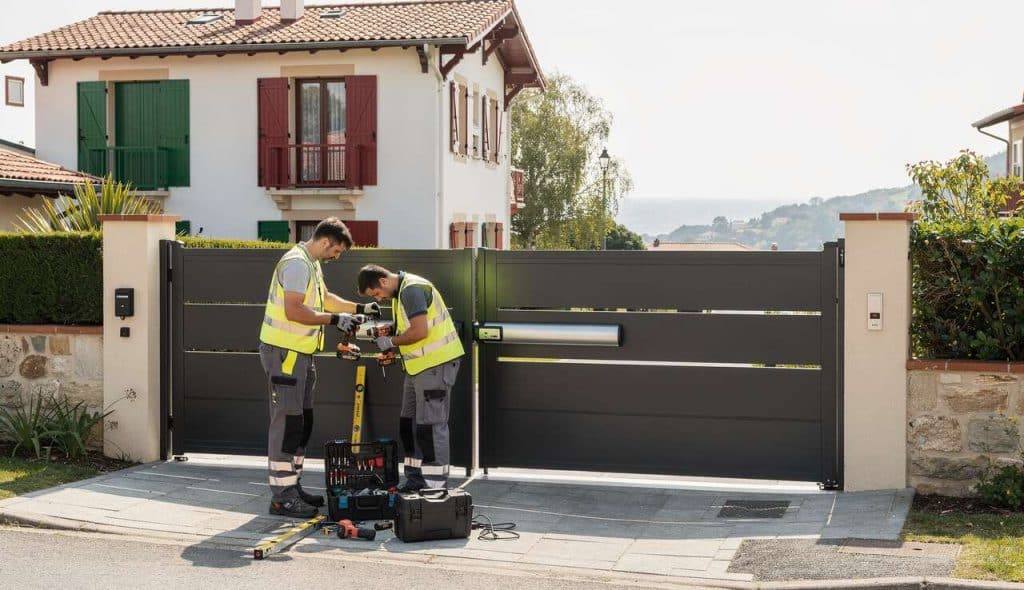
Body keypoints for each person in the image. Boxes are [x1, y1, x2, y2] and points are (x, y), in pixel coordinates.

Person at [258, 217, 380, 518]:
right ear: (325, 242)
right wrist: (334, 320)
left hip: (300, 353)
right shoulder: (297, 264)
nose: (336, 257)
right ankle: (282, 498)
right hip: (285, 354)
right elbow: (294, 310)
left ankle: (292, 485)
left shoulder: (311, 263)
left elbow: (325, 299)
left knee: (302, 422)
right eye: (336, 251)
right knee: (287, 424)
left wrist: (359, 308)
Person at [357, 265, 464, 491]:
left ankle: (435, 488)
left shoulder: (411, 290)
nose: (379, 298)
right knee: (409, 424)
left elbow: (419, 332)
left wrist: (390, 342)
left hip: (435, 365)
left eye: (376, 293)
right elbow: (410, 326)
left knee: (431, 427)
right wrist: (392, 329)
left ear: (383, 281)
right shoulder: (401, 293)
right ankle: (415, 480)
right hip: (418, 368)